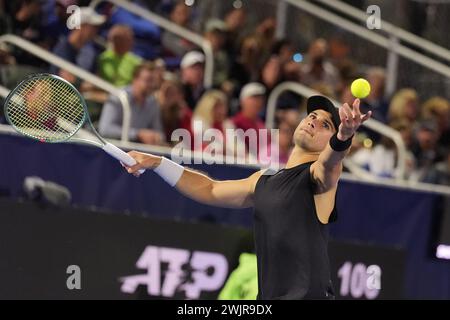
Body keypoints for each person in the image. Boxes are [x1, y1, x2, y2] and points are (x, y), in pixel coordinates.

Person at [123, 95, 372, 299]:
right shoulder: (263, 180)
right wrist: (159, 162)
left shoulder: (319, 177)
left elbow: (331, 162)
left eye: (325, 125)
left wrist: (343, 137)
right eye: (312, 116)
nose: (313, 121)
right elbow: (209, 189)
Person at [98, 62, 164, 145]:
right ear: (135, 79)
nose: (151, 85)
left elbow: (159, 132)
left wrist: (156, 138)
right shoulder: (119, 97)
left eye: (153, 81)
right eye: (148, 80)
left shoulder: (153, 103)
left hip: (138, 151)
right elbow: (105, 129)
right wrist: (138, 134)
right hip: (112, 149)